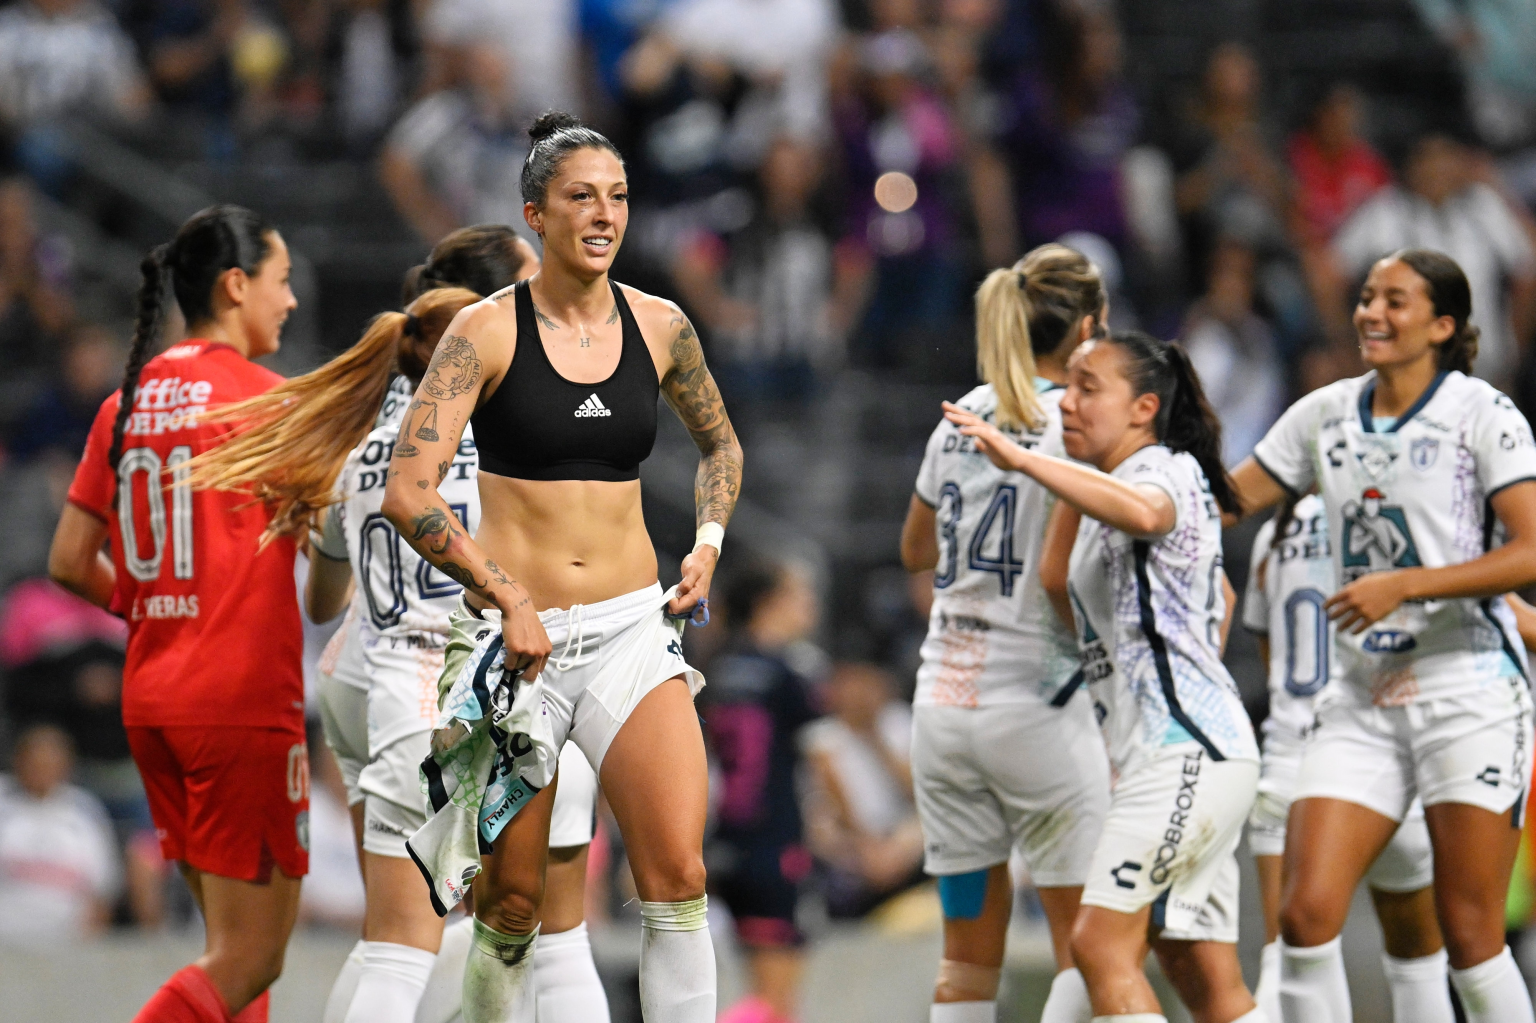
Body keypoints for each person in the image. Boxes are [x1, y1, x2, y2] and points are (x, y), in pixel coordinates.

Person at [187, 225, 613, 1023]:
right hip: (516, 689)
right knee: (553, 938)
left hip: (385, 686)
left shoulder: (362, 443)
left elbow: (322, 597)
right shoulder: (528, 426)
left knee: (395, 941)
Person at [381, 111, 742, 1023]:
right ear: (535, 215)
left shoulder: (661, 325)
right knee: (511, 907)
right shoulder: (484, 331)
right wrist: (505, 595)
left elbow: (722, 447)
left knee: (680, 877)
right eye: (582, 196)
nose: (604, 214)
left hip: (631, 631)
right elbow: (408, 489)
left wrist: (707, 542)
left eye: (617, 196)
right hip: (517, 648)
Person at [1224, 248, 1536, 1023]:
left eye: (1395, 300)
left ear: (1443, 324)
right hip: (1362, 698)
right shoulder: (1324, 412)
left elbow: (1531, 549)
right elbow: (1225, 499)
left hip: (1467, 691)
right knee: (1304, 916)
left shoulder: (1483, 412)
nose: (1371, 311)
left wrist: (1408, 583)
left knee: (1470, 937)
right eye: (1367, 296)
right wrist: (1132, 479)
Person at [945, 330, 1263, 1023]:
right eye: (1068, 387)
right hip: (1175, 754)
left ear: (1144, 408)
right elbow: (1059, 579)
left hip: (1184, 753)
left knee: (1097, 946)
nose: (1067, 402)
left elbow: (1146, 513)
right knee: (1203, 976)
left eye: (1089, 389)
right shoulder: (1105, 492)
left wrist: (1024, 459)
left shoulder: (1165, 469)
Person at [47, 204, 303, 1023]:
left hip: (155, 697)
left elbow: (68, 559)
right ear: (235, 286)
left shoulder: (123, 403)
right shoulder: (270, 404)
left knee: (230, 952)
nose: (291, 300)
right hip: (239, 704)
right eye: (280, 280)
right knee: (253, 953)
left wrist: (158, 608)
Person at [897, 243, 1113, 1023]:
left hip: (943, 711)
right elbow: (1070, 572)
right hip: (1039, 707)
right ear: (1088, 326)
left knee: (964, 964)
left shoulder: (961, 416)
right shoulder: (1080, 422)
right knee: (1092, 955)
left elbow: (914, 550)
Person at [1242, 493, 1451, 1023]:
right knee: (1420, 961)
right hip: (1384, 751)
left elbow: (1270, 656)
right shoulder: (1400, 515)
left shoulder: (1273, 535)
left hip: (1291, 760)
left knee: (1287, 959)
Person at [701, 560, 821, 1023]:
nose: (809, 605)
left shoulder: (718, 669)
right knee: (776, 1001)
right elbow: (823, 756)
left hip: (729, 841)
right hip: (776, 843)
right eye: (800, 594)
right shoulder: (789, 674)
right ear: (771, 602)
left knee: (768, 993)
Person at [802, 661, 924, 918]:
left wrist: (874, 738)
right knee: (822, 828)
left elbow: (918, 792)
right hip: (856, 837)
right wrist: (867, 846)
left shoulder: (899, 721)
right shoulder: (822, 739)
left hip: (902, 826)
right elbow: (837, 805)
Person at [0, 724, 121, 946]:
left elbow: (103, 892)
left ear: (67, 767)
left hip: (68, 946)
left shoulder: (85, 811)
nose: (41, 771)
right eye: (34, 763)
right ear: (17, 762)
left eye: (50, 763)